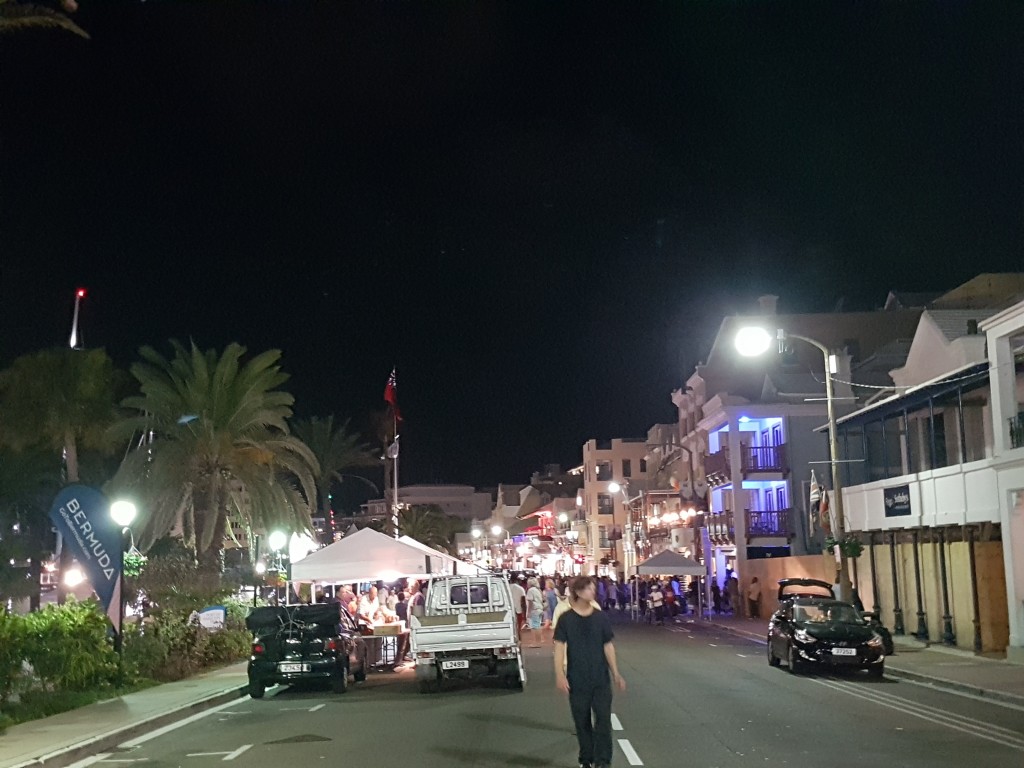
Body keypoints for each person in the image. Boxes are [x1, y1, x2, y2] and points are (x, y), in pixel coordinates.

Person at [554, 576, 626, 768]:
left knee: (603, 720)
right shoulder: (566, 619)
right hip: (577, 678)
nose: (592, 591)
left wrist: (616, 673)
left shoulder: (600, 617)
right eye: (587, 589)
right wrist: (560, 674)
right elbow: (559, 647)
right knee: (582, 722)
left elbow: (607, 645)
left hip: (600, 678)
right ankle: (586, 759)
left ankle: (603, 761)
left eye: (593, 588)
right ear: (577, 592)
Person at [525, 577, 545, 648]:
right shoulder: (538, 590)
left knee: (534, 627)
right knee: (538, 626)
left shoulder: (530, 590)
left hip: (534, 610)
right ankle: (538, 641)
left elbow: (530, 602)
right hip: (539, 609)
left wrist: (528, 612)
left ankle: (535, 642)